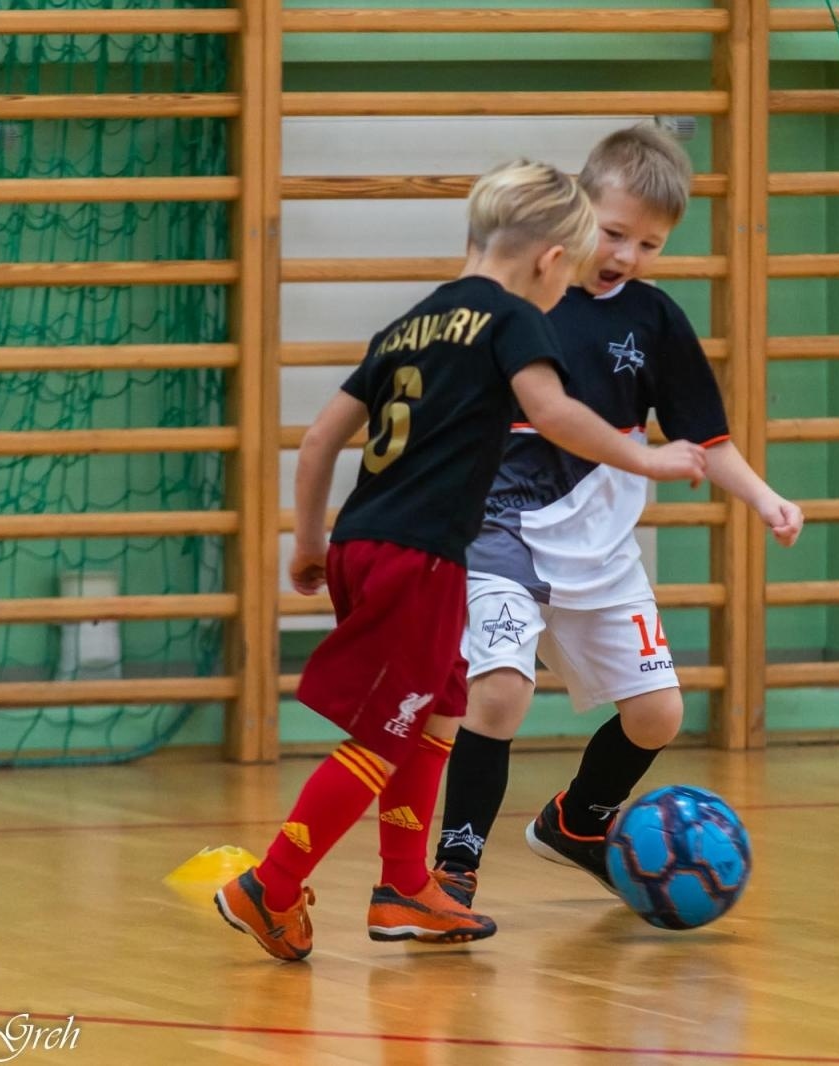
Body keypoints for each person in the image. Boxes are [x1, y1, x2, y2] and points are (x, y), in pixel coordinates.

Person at [214, 160, 708, 961]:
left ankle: (406, 887)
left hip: (362, 540)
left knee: (439, 707)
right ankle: (270, 886)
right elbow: (552, 415)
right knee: (383, 737)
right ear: (551, 261)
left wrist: (308, 544)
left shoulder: (410, 324)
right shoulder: (513, 320)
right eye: (569, 274)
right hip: (423, 556)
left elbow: (317, 441)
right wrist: (646, 461)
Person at [429, 125, 803, 904]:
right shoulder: (519, 300)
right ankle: (454, 870)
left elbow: (707, 438)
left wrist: (765, 497)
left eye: (651, 244)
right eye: (615, 232)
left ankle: (577, 822)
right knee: (499, 692)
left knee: (659, 714)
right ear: (577, 209)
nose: (628, 255)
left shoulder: (657, 320)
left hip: (601, 548)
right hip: (503, 527)